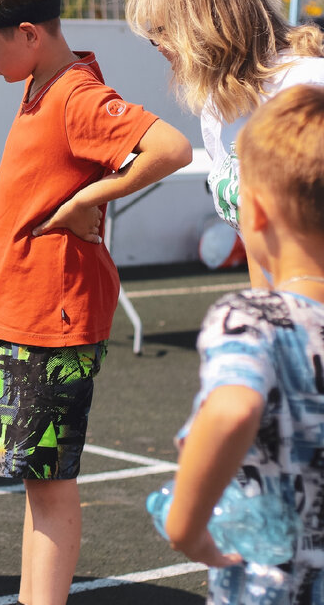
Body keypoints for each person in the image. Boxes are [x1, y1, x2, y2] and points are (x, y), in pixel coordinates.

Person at [0, 0, 192, 605]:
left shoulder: (77, 94)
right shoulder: (40, 86)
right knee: (36, 483)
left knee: (50, 486)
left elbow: (171, 147)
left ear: (31, 33)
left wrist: (92, 200)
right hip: (16, 315)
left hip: (50, 322)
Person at [162, 84, 324, 603]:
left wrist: (186, 527)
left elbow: (232, 411)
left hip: (270, 585)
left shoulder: (250, 319)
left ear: (251, 214)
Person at [126, 0, 324, 288]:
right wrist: (267, 314)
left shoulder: (307, 83)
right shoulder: (218, 107)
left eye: (163, 31)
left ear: (204, 25)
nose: (159, 47)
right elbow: (252, 238)